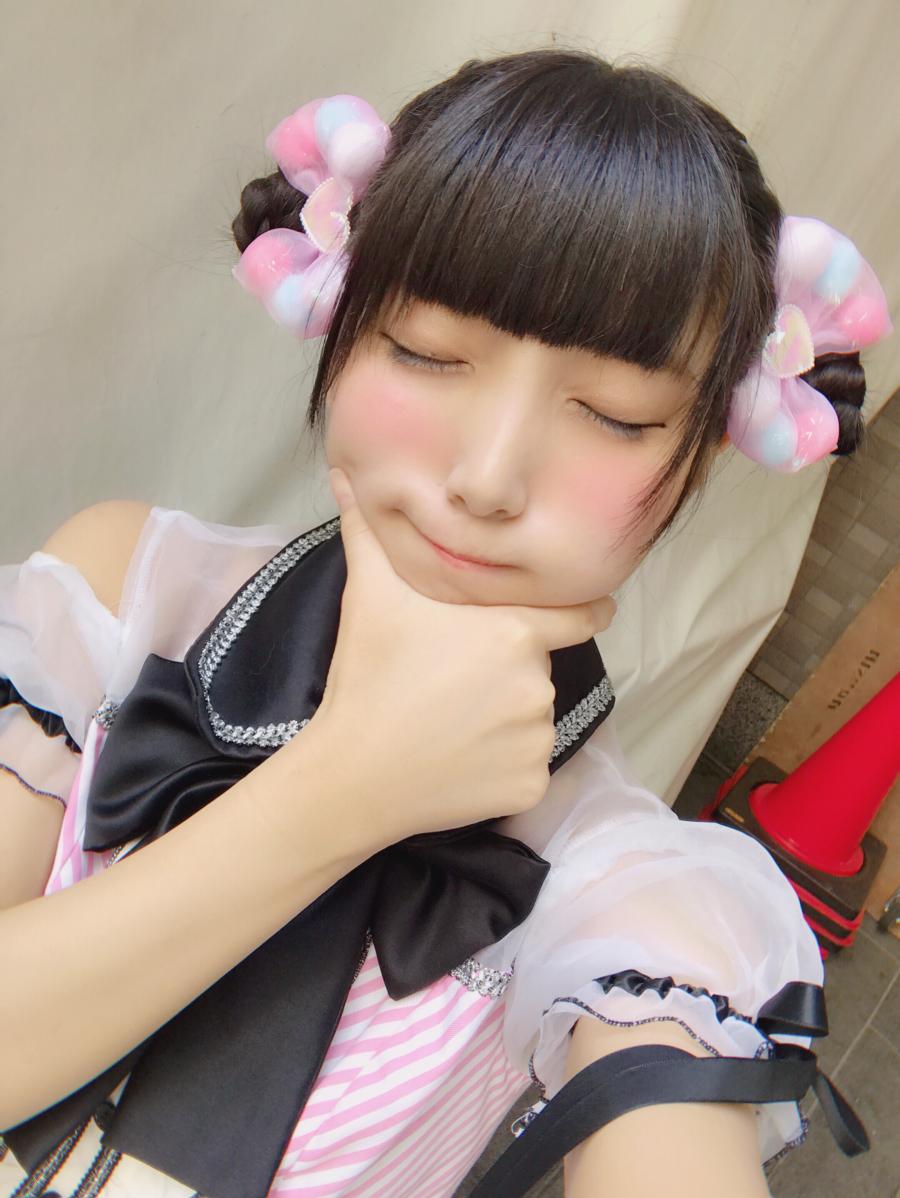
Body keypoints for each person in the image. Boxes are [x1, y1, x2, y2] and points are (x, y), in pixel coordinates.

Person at [0, 47, 890, 1198]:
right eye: (426, 351)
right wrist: (342, 791)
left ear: (705, 449)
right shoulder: (120, 592)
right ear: (339, 311)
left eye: (616, 414)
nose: (487, 475)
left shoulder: (635, 892)